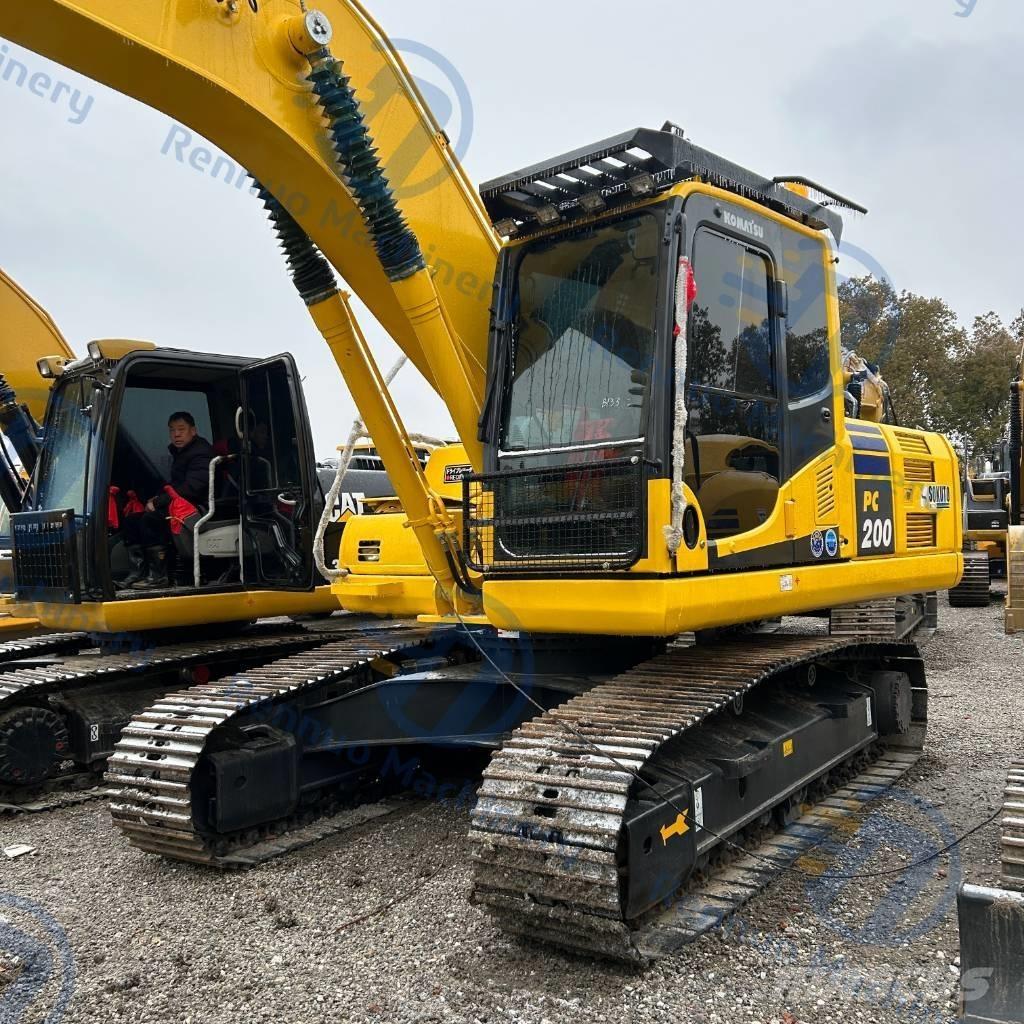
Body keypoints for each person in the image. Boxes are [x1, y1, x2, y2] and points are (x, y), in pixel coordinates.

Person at [121, 412, 213, 590]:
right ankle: (137, 572)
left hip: (197, 506)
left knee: (152, 519)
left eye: (181, 429)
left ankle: (158, 576)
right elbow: (175, 485)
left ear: (193, 431)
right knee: (132, 520)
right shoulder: (182, 452)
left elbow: (192, 488)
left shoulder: (201, 453)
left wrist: (157, 503)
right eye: (172, 430)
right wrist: (155, 497)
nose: (176, 434)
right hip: (180, 503)